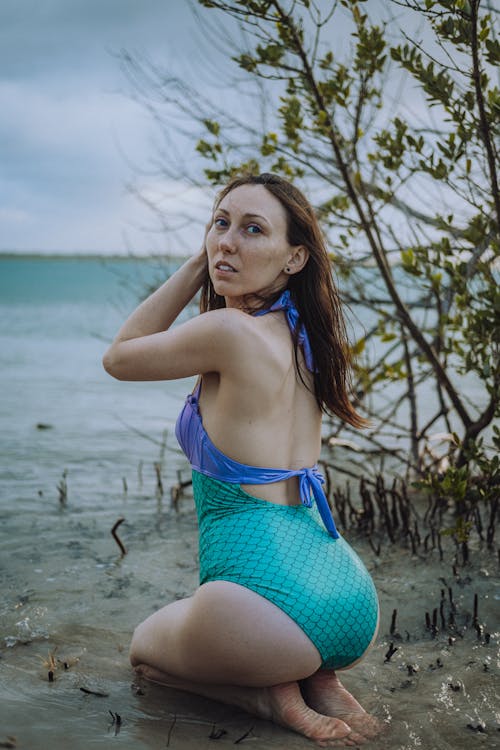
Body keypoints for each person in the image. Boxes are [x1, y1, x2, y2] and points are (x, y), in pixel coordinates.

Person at [103, 173, 381, 746]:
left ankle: (267, 694)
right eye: (219, 223)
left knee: (145, 656)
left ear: (294, 257)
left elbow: (120, 357)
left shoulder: (230, 329)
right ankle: (317, 676)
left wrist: (196, 266)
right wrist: (221, 252)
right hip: (348, 598)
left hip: (264, 610)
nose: (227, 240)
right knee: (247, 629)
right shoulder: (309, 338)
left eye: (253, 230)